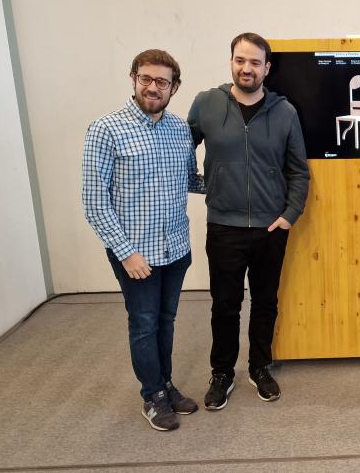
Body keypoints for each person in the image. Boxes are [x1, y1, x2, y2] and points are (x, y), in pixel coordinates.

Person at [83, 49, 204, 431]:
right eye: (146, 79)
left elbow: (190, 180)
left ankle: (165, 383)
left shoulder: (179, 129)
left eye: (162, 82)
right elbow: (94, 200)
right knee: (144, 323)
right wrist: (126, 252)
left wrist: (235, 184)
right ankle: (152, 395)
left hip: (176, 248)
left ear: (175, 87)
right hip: (136, 254)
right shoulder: (106, 129)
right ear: (134, 78)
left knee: (166, 321)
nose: (153, 87)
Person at [188, 33, 310, 409]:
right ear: (231, 62)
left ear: (266, 68)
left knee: (265, 302)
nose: (247, 68)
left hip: (269, 228)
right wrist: (204, 185)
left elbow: (299, 172)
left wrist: (289, 216)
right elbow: (176, 151)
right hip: (223, 226)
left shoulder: (285, 112)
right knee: (225, 304)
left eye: (255, 62)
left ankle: (260, 366)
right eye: (241, 60)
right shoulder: (207, 104)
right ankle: (222, 373)